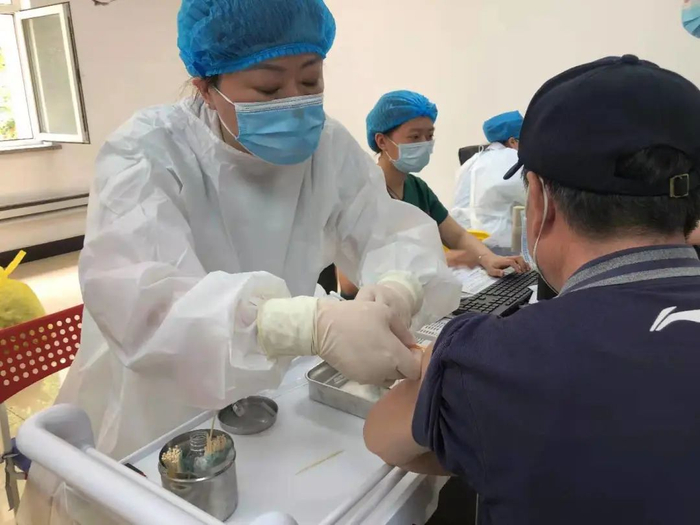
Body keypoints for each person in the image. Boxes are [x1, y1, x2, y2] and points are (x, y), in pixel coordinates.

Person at [18, 1, 461, 523]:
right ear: (206, 86)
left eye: (311, 80)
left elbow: (387, 229)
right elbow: (144, 304)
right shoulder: (148, 151)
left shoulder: (328, 147)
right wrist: (301, 324)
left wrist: (399, 287)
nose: (295, 103)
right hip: (157, 394)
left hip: (271, 382)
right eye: (269, 89)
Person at [364, 55, 700, 525]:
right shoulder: (366, 189)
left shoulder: (501, 363)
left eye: (428, 135)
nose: (424, 145)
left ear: (538, 199)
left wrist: (440, 363)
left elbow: (381, 435)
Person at [366, 90, 526, 274]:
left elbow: (457, 236)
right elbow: (349, 280)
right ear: (382, 141)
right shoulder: (365, 193)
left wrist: (488, 258)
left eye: (429, 136)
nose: (425, 143)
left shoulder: (417, 188)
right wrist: (438, 260)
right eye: (415, 137)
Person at [452, 111, 527, 251]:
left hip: (466, 245)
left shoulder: (470, 162)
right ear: (512, 141)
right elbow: (535, 197)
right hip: (501, 247)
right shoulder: (513, 159)